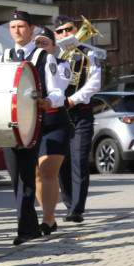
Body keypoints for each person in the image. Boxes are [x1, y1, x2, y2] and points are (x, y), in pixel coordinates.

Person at [1, 12, 68, 245]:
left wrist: (48, 102)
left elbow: (57, 91)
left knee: (28, 175)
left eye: (21, 26)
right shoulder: (5, 56)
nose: (17, 31)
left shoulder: (43, 56)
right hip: (8, 125)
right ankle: (30, 226)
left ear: (31, 29)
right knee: (15, 178)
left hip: (33, 124)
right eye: (13, 27)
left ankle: (24, 229)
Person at [54, 14, 101, 224]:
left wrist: (73, 100)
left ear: (75, 29)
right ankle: (69, 203)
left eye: (69, 29)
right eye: (60, 31)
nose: (65, 33)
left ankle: (77, 209)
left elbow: (94, 83)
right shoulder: (54, 54)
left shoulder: (89, 53)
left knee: (79, 161)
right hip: (59, 115)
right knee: (61, 163)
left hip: (80, 112)